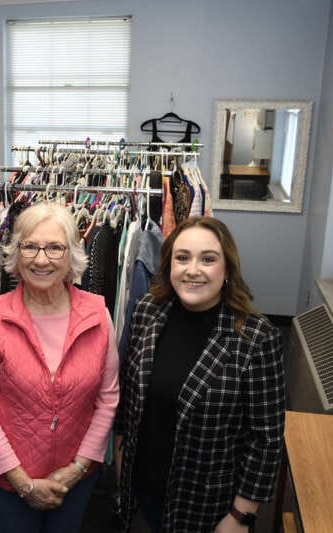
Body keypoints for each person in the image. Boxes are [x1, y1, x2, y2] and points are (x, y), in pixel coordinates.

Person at [114, 216, 285, 532]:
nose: (193, 270)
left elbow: (266, 441)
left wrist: (240, 516)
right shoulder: (147, 311)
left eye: (208, 259)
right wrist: (123, 469)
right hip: (143, 494)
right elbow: (128, 403)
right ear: (169, 265)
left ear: (227, 269)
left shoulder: (256, 338)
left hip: (207, 508)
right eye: (182, 258)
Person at [0, 203, 120, 533]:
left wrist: (78, 468)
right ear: (16, 252)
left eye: (54, 247)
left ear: (71, 255)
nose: (41, 259)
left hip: (74, 480)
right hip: (7, 484)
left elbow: (107, 400)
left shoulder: (98, 316)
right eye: (30, 246)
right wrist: (23, 484)